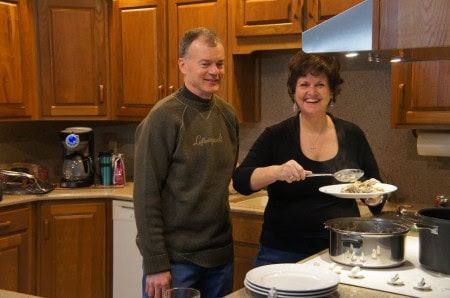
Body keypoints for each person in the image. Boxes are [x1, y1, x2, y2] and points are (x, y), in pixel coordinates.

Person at [232, 50, 386, 267]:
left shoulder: (352, 134)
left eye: (320, 84)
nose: (311, 92)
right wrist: (276, 172)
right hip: (282, 253)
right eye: (304, 84)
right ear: (293, 90)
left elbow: (375, 192)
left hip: (342, 249)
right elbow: (241, 181)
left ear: (332, 91)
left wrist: (374, 197)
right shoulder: (276, 135)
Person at [133, 27, 239, 298]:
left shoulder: (228, 115)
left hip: (221, 259)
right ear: (183, 65)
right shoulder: (163, 117)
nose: (215, 71)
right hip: (176, 262)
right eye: (205, 63)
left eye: (220, 63)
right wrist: (156, 262)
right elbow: (145, 195)